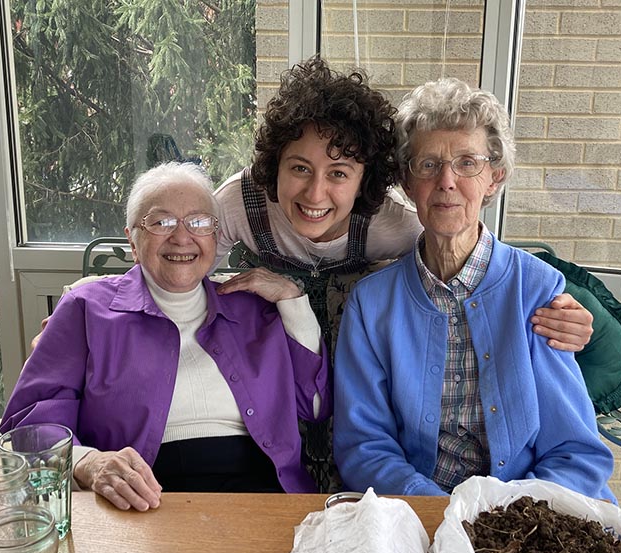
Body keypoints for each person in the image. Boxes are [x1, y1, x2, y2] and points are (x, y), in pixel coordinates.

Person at [332, 78, 615, 501]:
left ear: (494, 179)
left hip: (529, 516)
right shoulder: (371, 305)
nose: (447, 181)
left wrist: (502, 520)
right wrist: (438, 512)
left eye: (467, 163)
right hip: (417, 509)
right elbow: (363, 445)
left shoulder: (537, 291)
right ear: (408, 185)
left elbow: (574, 451)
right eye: (428, 164)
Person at [2, 162, 331, 511]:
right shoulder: (86, 309)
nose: (182, 237)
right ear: (132, 238)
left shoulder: (255, 308)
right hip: (140, 496)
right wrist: (89, 463)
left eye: (199, 222)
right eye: (161, 222)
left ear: (215, 236)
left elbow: (315, 405)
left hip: (260, 493)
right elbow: (29, 426)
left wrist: (293, 301)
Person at [214, 56, 594, 351]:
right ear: (273, 163)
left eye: (339, 174)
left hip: (352, 359)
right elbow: (177, 274)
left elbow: (476, 268)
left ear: (366, 181)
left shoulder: (396, 223)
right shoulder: (239, 203)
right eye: (299, 168)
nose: (315, 194)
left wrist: (570, 321)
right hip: (269, 364)